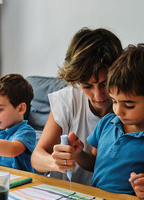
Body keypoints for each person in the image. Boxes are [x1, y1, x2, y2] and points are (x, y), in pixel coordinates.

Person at [65, 42, 144, 198]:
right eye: (114, 101)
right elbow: (94, 162)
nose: (117, 111)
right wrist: (78, 154)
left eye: (128, 105)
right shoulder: (107, 123)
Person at [31, 27, 124, 185]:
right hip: (67, 194)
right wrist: (55, 162)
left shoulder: (130, 106)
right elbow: (36, 158)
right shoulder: (67, 100)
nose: (98, 95)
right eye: (87, 86)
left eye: (105, 84)